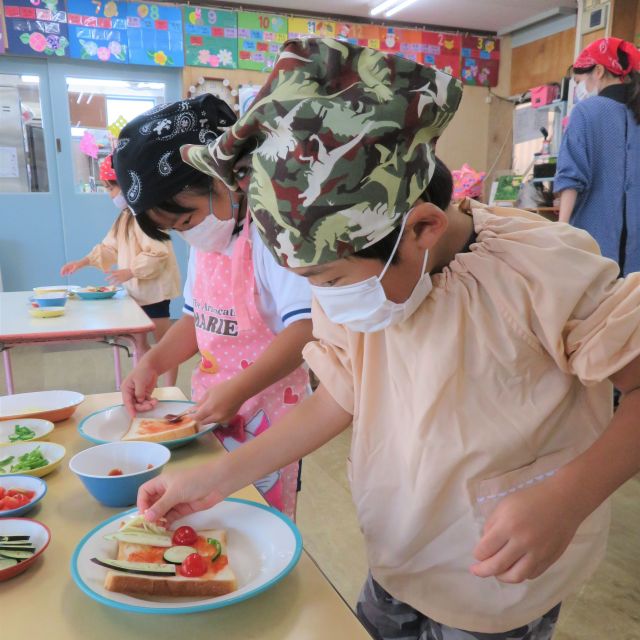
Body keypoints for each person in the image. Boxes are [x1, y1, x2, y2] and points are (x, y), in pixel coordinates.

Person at [136, 39, 640, 639]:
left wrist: (569, 498)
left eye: (331, 280)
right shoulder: (363, 276)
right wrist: (219, 476)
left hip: (499, 575)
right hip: (398, 556)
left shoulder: (541, 273)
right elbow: (337, 396)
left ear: (423, 227)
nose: (328, 299)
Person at [114, 95, 313, 518]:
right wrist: (152, 362)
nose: (188, 234)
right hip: (212, 413)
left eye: (186, 220)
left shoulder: (270, 237)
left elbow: (305, 331)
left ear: (227, 176)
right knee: (209, 509)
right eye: (174, 230)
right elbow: (196, 319)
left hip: (271, 419)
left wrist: (239, 390)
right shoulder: (207, 240)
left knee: (258, 518)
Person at [60, 154, 181, 385]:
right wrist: (83, 261)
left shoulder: (148, 215)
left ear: (126, 185)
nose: (109, 194)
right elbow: (109, 247)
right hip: (136, 293)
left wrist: (131, 271)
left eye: (110, 188)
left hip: (154, 292)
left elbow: (159, 253)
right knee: (140, 343)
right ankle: (147, 385)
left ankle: (170, 388)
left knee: (164, 343)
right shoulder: (125, 217)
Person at [555, 37, 640, 275]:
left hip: (595, 240)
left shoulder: (586, 111)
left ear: (599, 70)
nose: (580, 88)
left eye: (580, 81)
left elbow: (571, 176)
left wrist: (561, 228)